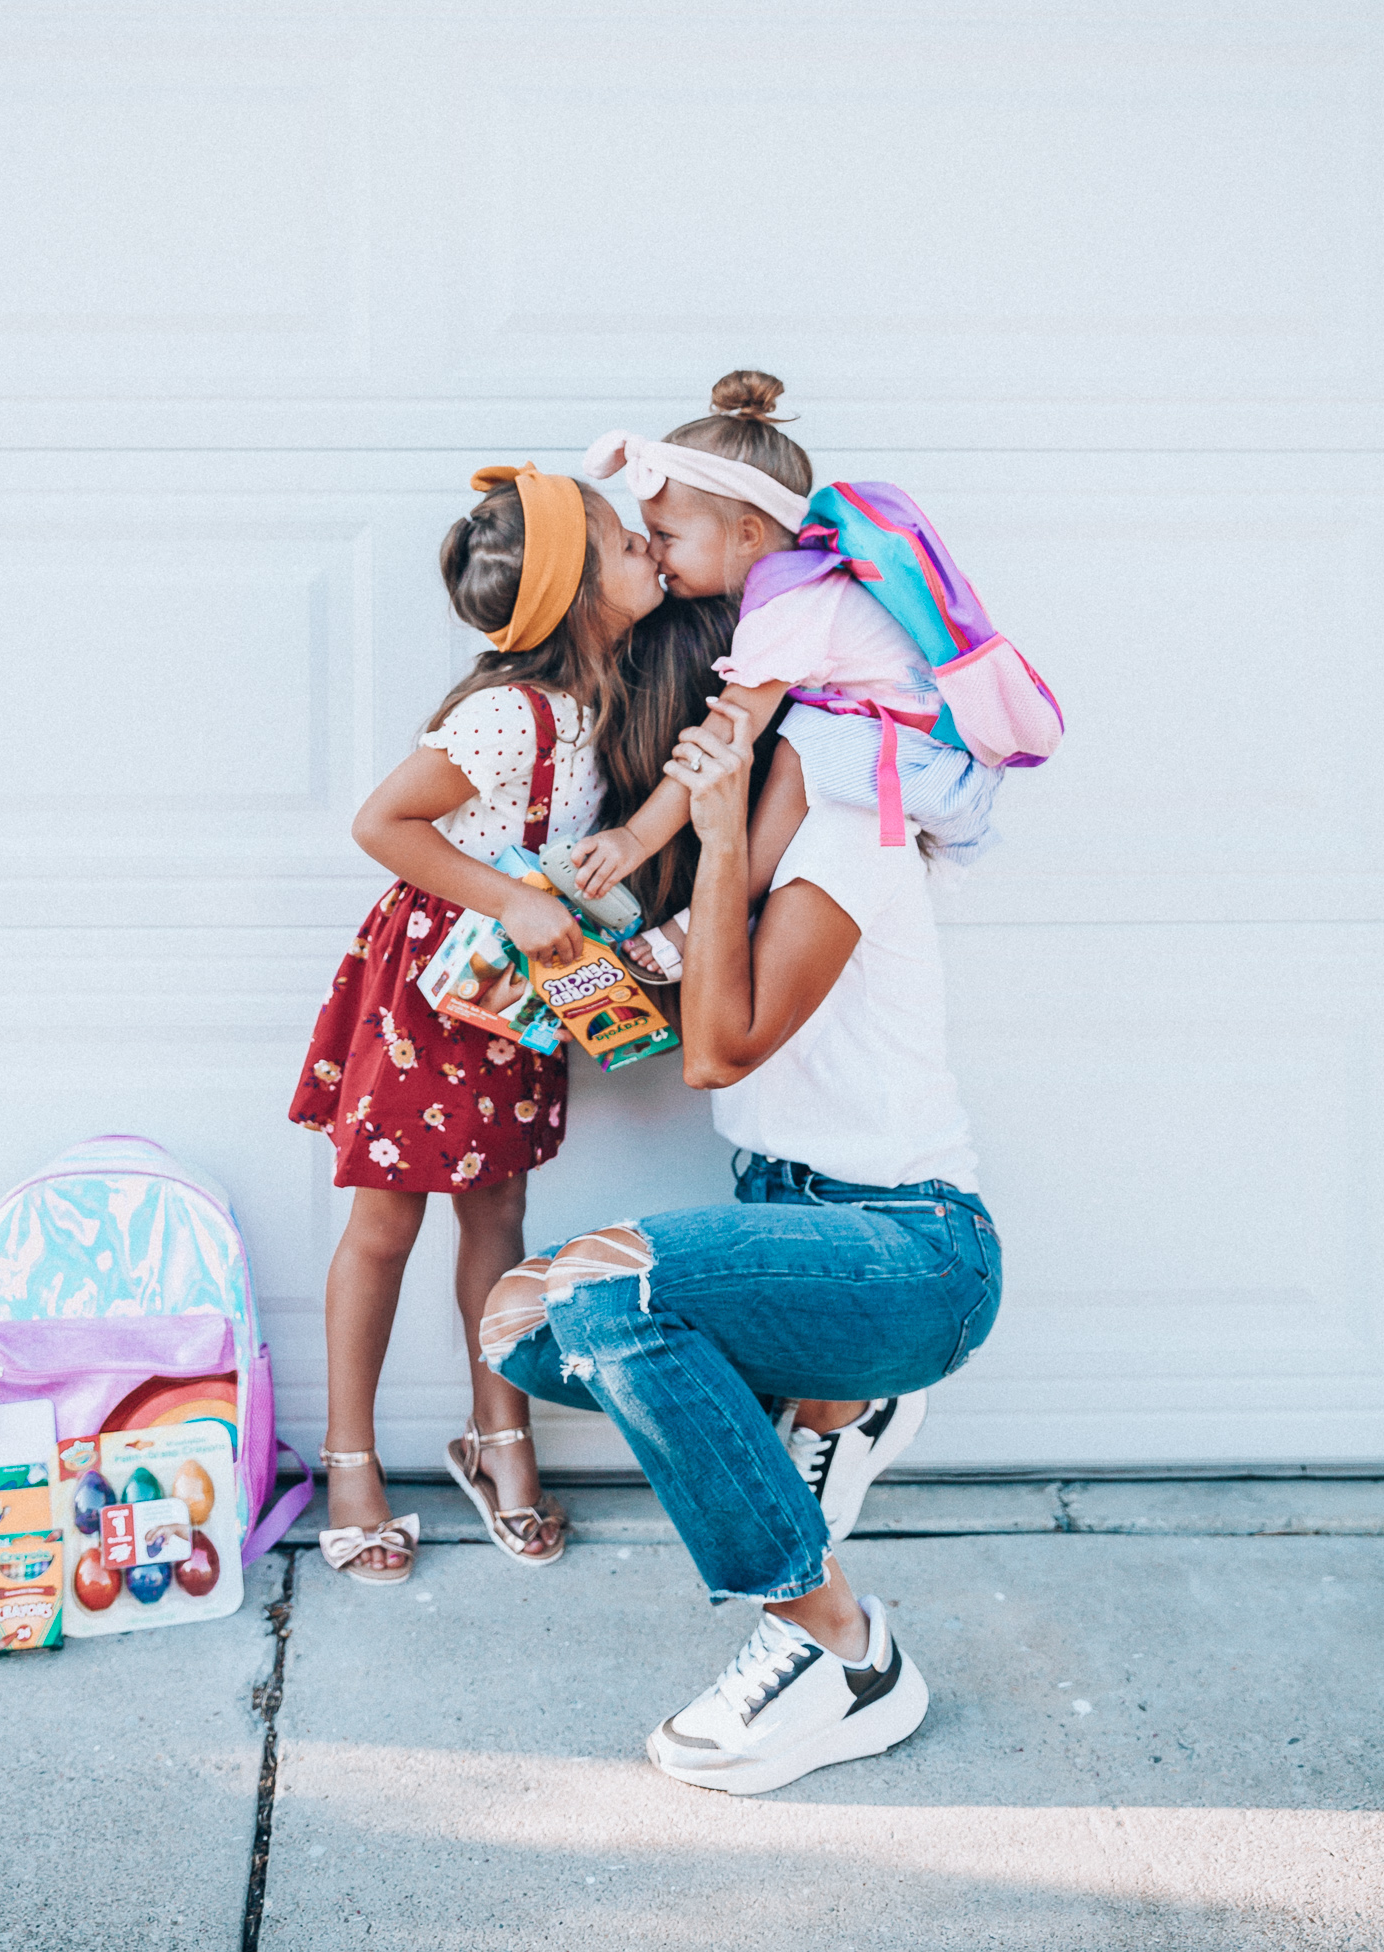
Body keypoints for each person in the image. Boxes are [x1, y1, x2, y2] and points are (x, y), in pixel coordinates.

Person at [480, 692, 1003, 1794]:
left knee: (611, 1297)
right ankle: (834, 1400)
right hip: (791, 1216)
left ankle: (839, 1650)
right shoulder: (752, 867)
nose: (685, 757)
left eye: (706, 736)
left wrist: (717, 840)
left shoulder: (849, 842)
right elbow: (682, 1022)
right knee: (519, 1323)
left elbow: (719, 1052)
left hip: (913, 1249)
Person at [288, 463, 664, 1585]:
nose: (650, 545)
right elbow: (381, 822)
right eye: (626, 540)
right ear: (580, 587)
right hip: (432, 992)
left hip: (513, 995)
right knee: (386, 1222)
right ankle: (348, 1460)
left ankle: (497, 1434)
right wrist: (508, 895)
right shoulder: (506, 712)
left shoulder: (601, 698)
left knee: (497, 1206)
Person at [571, 370, 1002, 991]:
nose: (653, 552)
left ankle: (705, 920)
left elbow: (722, 741)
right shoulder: (808, 580)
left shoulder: (789, 608)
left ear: (747, 535)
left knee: (802, 741)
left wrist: (635, 839)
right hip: (919, 756)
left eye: (666, 536)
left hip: (925, 767)